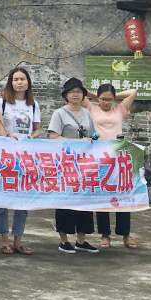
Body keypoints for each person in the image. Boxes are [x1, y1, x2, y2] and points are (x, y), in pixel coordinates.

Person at [48, 77, 100, 254]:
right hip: (66, 164)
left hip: (84, 164)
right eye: (72, 92)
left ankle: (81, 239)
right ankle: (64, 240)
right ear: (66, 95)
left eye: (79, 91)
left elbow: (93, 135)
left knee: (84, 200)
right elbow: (53, 137)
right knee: (65, 200)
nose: (75, 95)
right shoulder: (59, 113)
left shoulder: (87, 113)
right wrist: (76, 142)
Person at [86, 82, 139, 248]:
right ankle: (105, 235)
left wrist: (114, 96)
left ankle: (125, 235)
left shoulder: (120, 110)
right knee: (103, 197)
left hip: (118, 156)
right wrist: (95, 96)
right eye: (103, 99)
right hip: (99, 157)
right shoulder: (91, 108)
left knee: (122, 196)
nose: (105, 102)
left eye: (109, 99)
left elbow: (133, 91)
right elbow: (80, 90)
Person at [0, 67, 40, 256]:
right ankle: (4, 240)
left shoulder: (34, 104)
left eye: (22, 79)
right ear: (10, 82)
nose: (19, 82)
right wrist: (7, 136)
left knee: (23, 200)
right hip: (6, 155)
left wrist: (31, 136)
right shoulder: (2, 102)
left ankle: (18, 240)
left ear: (28, 82)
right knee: (3, 199)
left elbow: (38, 129)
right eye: (16, 79)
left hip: (26, 155)